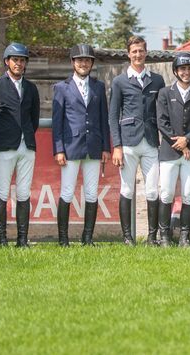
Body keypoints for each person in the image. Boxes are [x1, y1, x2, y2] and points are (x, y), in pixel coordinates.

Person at [52, 44, 111, 246]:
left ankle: (87, 238)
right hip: (71, 146)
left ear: (91, 63)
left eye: (87, 60)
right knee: (67, 191)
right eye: (79, 60)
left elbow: (104, 118)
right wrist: (58, 149)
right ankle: (63, 238)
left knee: (91, 193)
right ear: (73, 63)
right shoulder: (62, 88)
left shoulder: (99, 86)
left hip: (93, 145)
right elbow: (57, 121)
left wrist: (105, 147)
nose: (83, 63)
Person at [109, 35, 165, 245]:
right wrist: (116, 146)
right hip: (128, 142)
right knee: (127, 189)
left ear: (146, 52)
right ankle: (127, 237)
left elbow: (162, 112)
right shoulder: (119, 81)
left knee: (152, 189)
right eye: (134, 51)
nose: (138, 54)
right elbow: (113, 115)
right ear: (128, 54)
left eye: (141, 50)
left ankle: (152, 237)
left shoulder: (157, 80)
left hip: (151, 141)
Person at [0, 42, 40, 247]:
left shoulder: (31, 88)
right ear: (7, 62)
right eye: (15, 60)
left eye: (22, 60)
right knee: (2, 191)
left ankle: (22, 239)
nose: (18, 64)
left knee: (24, 192)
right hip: (3, 146)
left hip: (26, 146)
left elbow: (34, 119)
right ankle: (2, 240)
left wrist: (25, 136)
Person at [156, 53, 190, 247]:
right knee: (167, 193)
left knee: (187, 194)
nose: (186, 72)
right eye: (182, 69)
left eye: (189, 69)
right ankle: (165, 236)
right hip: (170, 151)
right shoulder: (165, 93)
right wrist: (178, 142)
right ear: (176, 71)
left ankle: (184, 237)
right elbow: (162, 121)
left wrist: (188, 140)